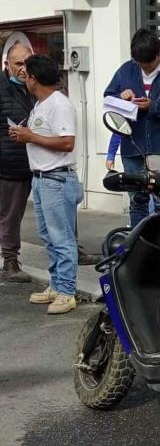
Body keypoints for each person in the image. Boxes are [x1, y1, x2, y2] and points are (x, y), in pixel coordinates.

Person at [9, 54, 84, 314]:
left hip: (57, 178)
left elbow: (67, 143)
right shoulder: (40, 105)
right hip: (41, 178)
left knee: (61, 237)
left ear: (34, 79)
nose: (24, 78)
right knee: (49, 237)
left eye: (26, 74)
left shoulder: (59, 104)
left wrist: (31, 136)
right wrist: (25, 134)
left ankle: (67, 291)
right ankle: (57, 284)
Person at [103, 28, 160, 228]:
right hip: (132, 146)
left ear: (157, 54)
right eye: (139, 63)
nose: (144, 67)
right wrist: (120, 97)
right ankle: (138, 245)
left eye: (148, 63)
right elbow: (107, 98)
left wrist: (154, 106)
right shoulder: (126, 70)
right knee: (137, 201)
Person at [0, 42, 34, 283]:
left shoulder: (35, 87)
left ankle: (71, 249)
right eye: (18, 63)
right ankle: (10, 260)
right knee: (10, 215)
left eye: (27, 63)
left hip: (35, 163)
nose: (23, 69)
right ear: (7, 65)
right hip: (9, 165)